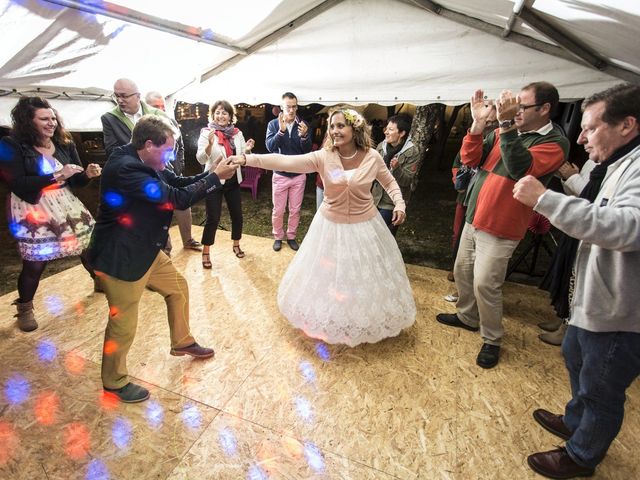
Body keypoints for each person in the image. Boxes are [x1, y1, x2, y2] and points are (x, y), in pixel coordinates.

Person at [513, 83, 640, 480]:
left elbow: (629, 227)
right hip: (597, 300)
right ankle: (575, 419)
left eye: (590, 128)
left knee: (601, 388)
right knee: (576, 356)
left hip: (621, 312)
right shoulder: (618, 163)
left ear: (627, 125)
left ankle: (582, 455)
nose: (580, 139)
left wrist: (546, 201)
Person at [231, 108, 416, 346]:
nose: (335, 131)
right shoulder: (323, 157)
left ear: (355, 128)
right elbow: (286, 160)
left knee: (359, 274)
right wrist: (248, 158)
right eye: (332, 126)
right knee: (332, 274)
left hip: (365, 226)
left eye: (341, 126)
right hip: (331, 226)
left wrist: (399, 203)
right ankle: (334, 317)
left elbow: (389, 181)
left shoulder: (372, 157)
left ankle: (359, 317)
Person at [88, 115, 237, 403]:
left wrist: (213, 173)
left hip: (144, 248)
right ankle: (114, 382)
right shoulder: (125, 169)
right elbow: (176, 199)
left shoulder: (145, 160)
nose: (169, 158)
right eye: (167, 151)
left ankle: (181, 342)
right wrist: (216, 178)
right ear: (147, 145)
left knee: (178, 287)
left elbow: (178, 182)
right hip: (121, 257)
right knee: (123, 323)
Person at [436, 83, 569, 368]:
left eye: (523, 106)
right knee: (463, 272)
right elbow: (470, 159)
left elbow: (520, 167)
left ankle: (492, 338)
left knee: (486, 283)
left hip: (503, 225)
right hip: (475, 214)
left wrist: (506, 125)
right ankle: (467, 317)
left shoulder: (555, 142)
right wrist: (477, 124)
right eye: (514, 105)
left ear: (545, 109)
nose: (514, 111)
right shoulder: (499, 132)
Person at [0, 96, 102, 332]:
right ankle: (24, 308)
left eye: (53, 117)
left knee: (88, 246)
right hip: (34, 207)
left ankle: (99, 279)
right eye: (44, 118)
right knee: (36, 263)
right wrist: (57, 176)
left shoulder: (65, 143)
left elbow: (75, 180)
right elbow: (18, 183)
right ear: (28, 121)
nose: (51, 123)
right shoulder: (11, 145)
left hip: (65, 202)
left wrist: (87, 174)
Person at [537, 158, 598, 346]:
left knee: (576, 280)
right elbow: (577, 196)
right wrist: (568, 179)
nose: (583, 138)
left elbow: (591, 200)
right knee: (566, 276)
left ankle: (568, 327)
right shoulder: (595, 161)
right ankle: (562, 316)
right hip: (575, 227)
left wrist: (572, 177)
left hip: (588, 232)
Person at [196, 100, 255, 268]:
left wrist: (248, 149)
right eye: (218, 112)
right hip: (214, 179)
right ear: (213, 115)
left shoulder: (237, 133)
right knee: (213, 217)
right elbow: (201, 158)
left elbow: (242, 154)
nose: (221, 116)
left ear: (230, 117)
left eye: (224, 113)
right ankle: (206, 251)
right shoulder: (206, 132)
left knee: (237, 214)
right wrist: (208, 144)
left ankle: (236, 244)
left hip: (233, 179)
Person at [145, 91, 202, 253]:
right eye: (156, 107)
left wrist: (178, 167)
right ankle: (165, 249)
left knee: (184, 205)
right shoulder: (144, 127)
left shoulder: (172, 122)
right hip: (156, 178)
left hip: (174, 174)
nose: (161, 110)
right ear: (146, 107)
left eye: (163, 106)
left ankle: (188, 240)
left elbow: (180, 146)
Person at [265, 92, 312, 251]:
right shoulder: (273, 124)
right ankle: (278, 236)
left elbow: (307, 150)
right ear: (281, 108)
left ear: (297, 107)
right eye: (288, 107)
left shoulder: (303, 124)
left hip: (299, 175)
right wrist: (281, 132)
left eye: (294, 107)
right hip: (280, 175)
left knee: (295, 210)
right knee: (278, 210)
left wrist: (305, 136)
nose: (291, 110)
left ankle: (291, 236)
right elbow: (270, 147)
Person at [373, 114, 420, 236]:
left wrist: (397, 169)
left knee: (381, 235)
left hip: (391, 203)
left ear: (402, 133)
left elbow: (407, 181)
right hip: (374, 198)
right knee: (370, 234)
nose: (386, 132)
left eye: (391, 129)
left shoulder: (412, 152)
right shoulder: (381, 147)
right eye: (386, 128)